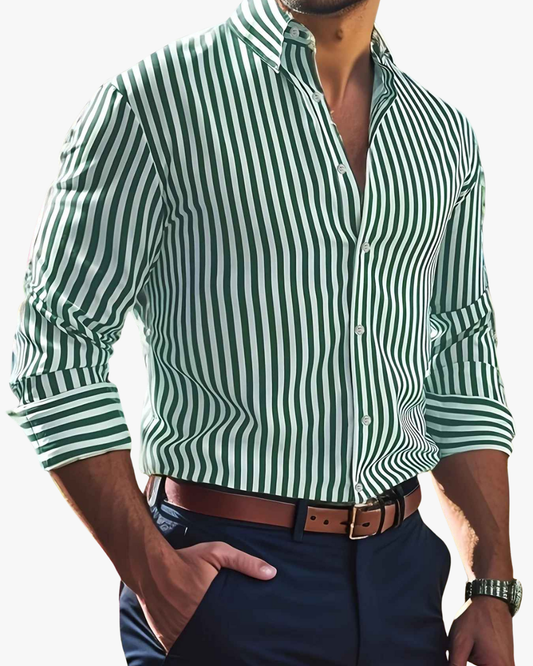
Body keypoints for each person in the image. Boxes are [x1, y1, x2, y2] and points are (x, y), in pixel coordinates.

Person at [6, 0, 522, 664]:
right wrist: (155, 576)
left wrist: (491, 583)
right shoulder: (153, 103)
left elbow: (460, 351)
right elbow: (55, 345)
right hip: (227, 578)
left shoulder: (441, 136)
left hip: (404, 582)